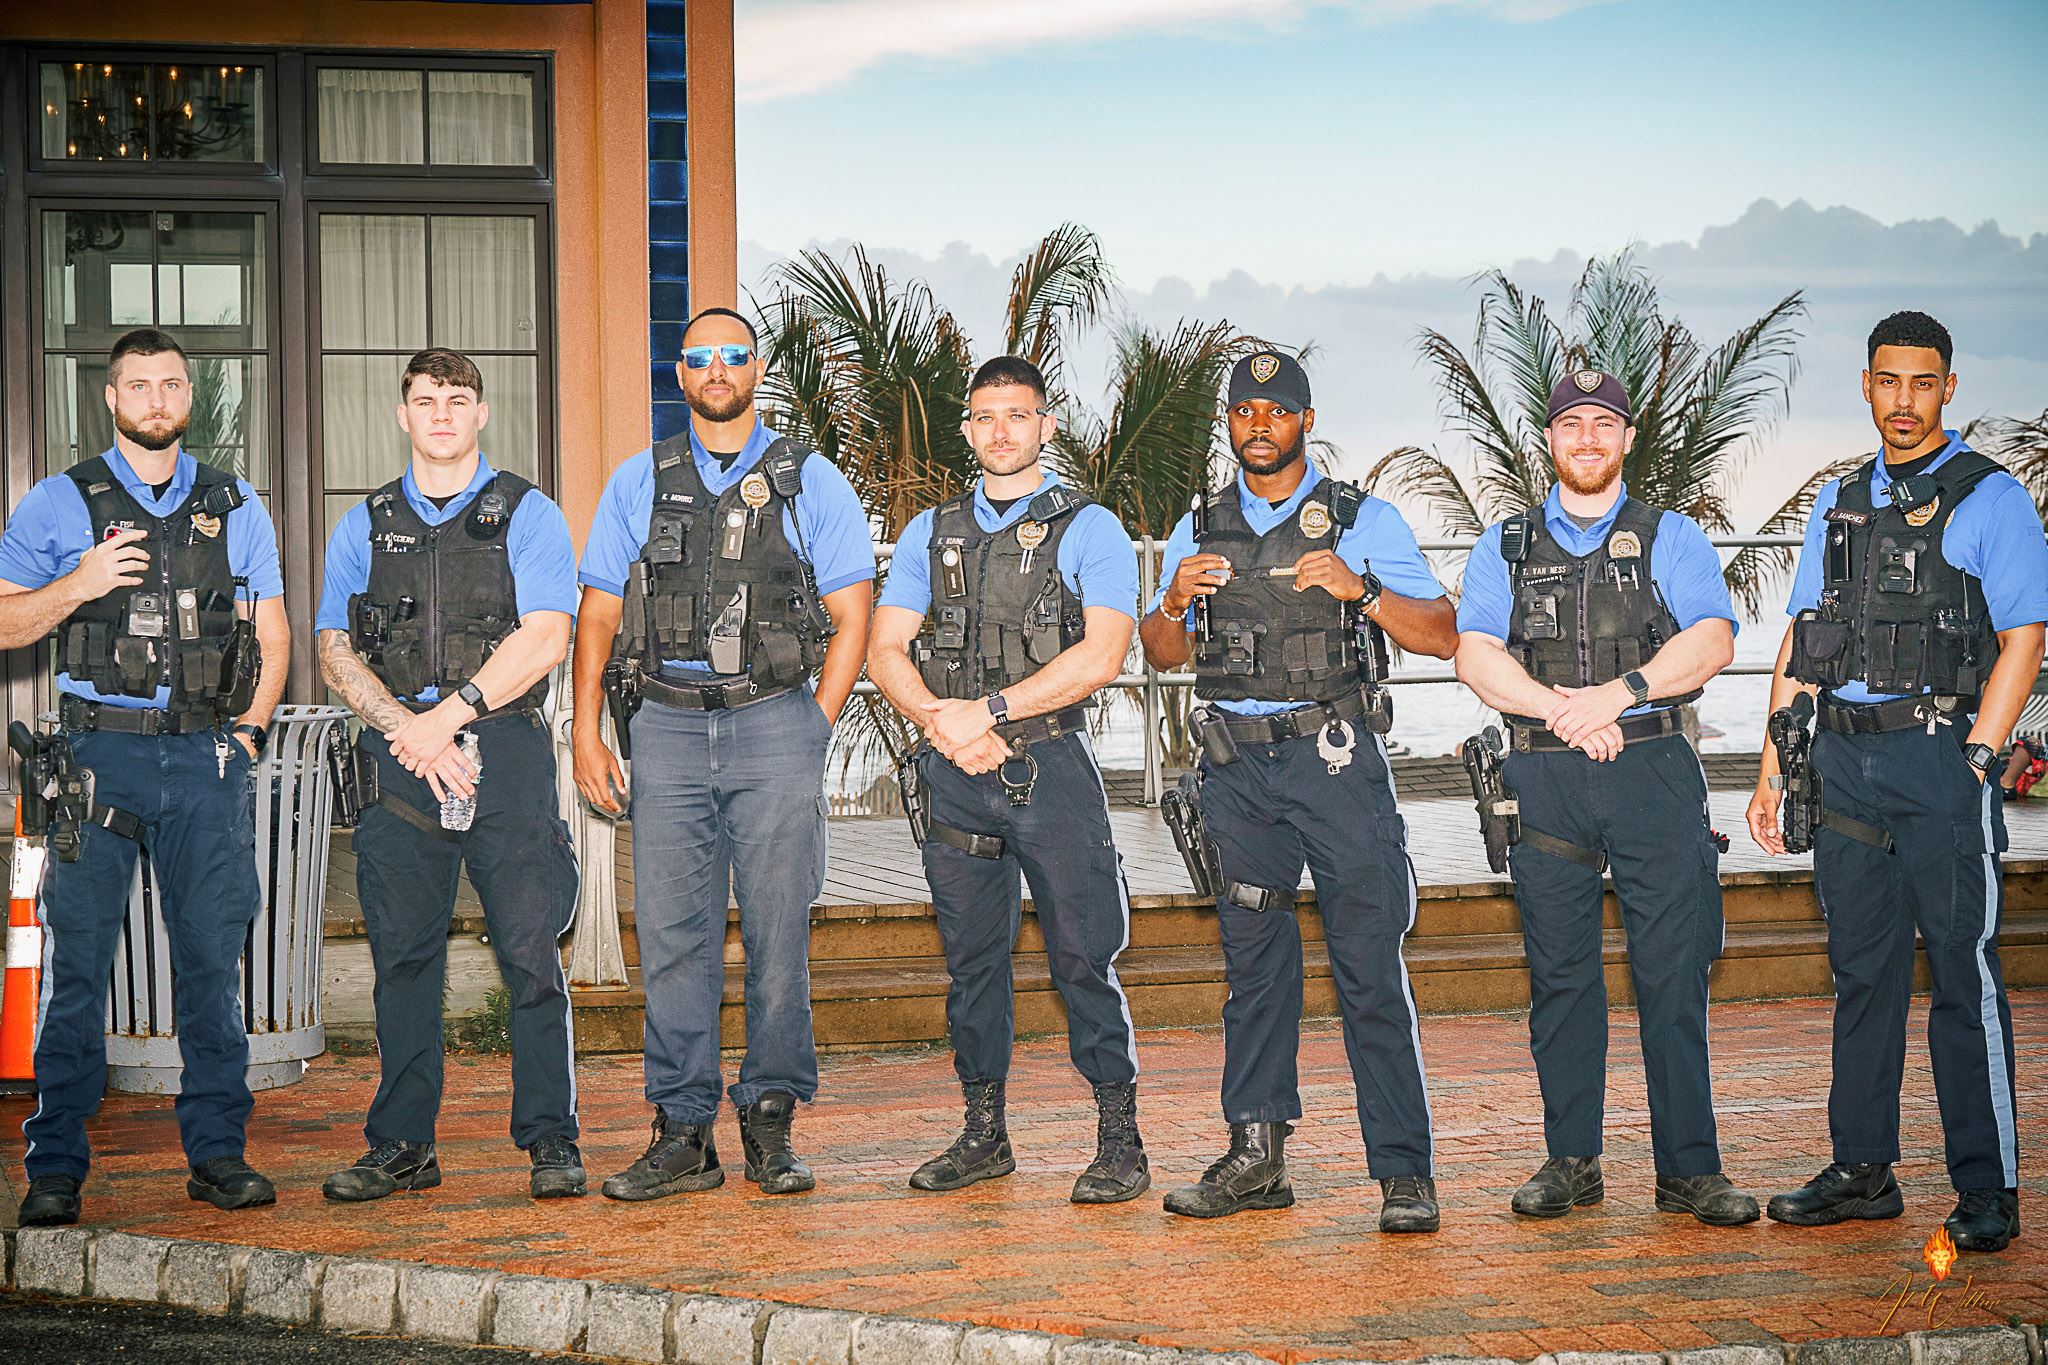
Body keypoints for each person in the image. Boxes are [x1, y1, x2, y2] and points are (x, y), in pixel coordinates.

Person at [1136, 351, 1458, 1232]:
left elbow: (1442, 633)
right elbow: (1160, 652)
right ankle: (1256, 1156)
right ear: (1229, 422)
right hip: (1238, 771)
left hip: (1335, 761)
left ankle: (1404, 1170)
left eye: (1276, 411)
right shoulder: (1199, 524)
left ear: (1306, 421)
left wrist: (1365, 590)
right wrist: (1173, 601)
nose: (1259, 425)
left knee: (1368, 967)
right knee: (1253, 969)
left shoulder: (1363, 519)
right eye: (1244, 411)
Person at [1748, 311, 2044, 1254]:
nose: (1904, 400)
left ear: (1948, 388)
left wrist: (1979, 757)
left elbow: (2025, 638)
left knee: (1963, 973)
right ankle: (1863, 1170)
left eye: (1922, 382)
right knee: (1862, 973)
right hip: (1842, 763)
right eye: (1888, 381)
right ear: (1868, 386)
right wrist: (1772, 770)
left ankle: (1987, 1186)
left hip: (1938, 759)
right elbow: (1803, 638)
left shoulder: (1990, 498)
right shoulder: (1839, 503)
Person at [572, 308, 875, 1200]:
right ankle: (683, 1129)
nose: (716, 368)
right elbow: (598, 611)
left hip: (773, 720)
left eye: (732, 354)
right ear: (679, 372)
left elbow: (853, 613)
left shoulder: (807, 480)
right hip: (663, 725)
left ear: (757, 367)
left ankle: (771, 1117)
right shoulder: (639, 480)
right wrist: (587, 729)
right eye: (699, 356)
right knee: (673, 935)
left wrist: (814, 723)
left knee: (779, 932)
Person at [0, 327, 291, 1227]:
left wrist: (247, 734)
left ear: (188, 396)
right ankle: (55, 1165)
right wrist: (80, 583)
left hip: (206, 758)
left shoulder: (234, 502)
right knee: (77, 969)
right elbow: (6, 622)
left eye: (171, 384)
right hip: (100, 757)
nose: (156, 399)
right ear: (112, 397)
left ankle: (218, 1153)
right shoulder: (61, 501)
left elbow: (272, 632)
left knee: (211, 964)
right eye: (139, 385)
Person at [1455, 368, 1755, 1227]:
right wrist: (1566, 712)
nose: (1586, 438)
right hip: (1544, 777)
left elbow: (1712, 640)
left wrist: (1617, 695)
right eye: (1571, 425)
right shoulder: (1505, 545)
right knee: (1560, 978)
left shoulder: (1671, 536)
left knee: (1673, 975)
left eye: (1603, 424)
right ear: (1548, 440)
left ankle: (1690, 1169)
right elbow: (1474, 655)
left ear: (1627, 438)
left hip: (1652, 769)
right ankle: (1571, 1160)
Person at [867, 355, 1149, 1204]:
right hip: (955, 771)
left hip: (1049, 765)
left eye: (1017, 415)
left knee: (1083, 958)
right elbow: (886, 648)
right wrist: (941, 722)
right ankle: (984, 1134)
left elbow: (1103, 654)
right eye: (985, 416)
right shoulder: (931, 532)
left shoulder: (1089, 527)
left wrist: (985, 712)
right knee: (972, 964)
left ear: (1045, 426)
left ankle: (1121, 1140)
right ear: (967, 429)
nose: (1001, 431)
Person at [314, 347, 584, 1202]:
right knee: (403, 959)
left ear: (481, 413)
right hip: (400, 762)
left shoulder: (529, 513)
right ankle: (402, 1145)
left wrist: (450, 716)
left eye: (457, 399)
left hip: (504, 750)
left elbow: (547, 636)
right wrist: (411, 730)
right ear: (403, 415)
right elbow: (333, 649)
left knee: (531, 956)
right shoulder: (364, 525)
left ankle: (551, 1138)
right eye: (426, 400)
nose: (441, 414)